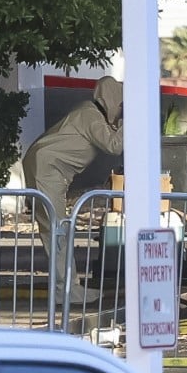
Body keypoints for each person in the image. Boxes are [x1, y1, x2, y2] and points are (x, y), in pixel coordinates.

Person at [23, 76, 124, 303]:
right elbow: (114, 145)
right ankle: (65, 290)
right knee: (56, 230)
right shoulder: (90, 116)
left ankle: (67, 287)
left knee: (57, 230)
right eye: (119, 104)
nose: (119, 110)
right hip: (47, 169)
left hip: (46, 167)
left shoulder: (90, 113)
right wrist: (132, 122)